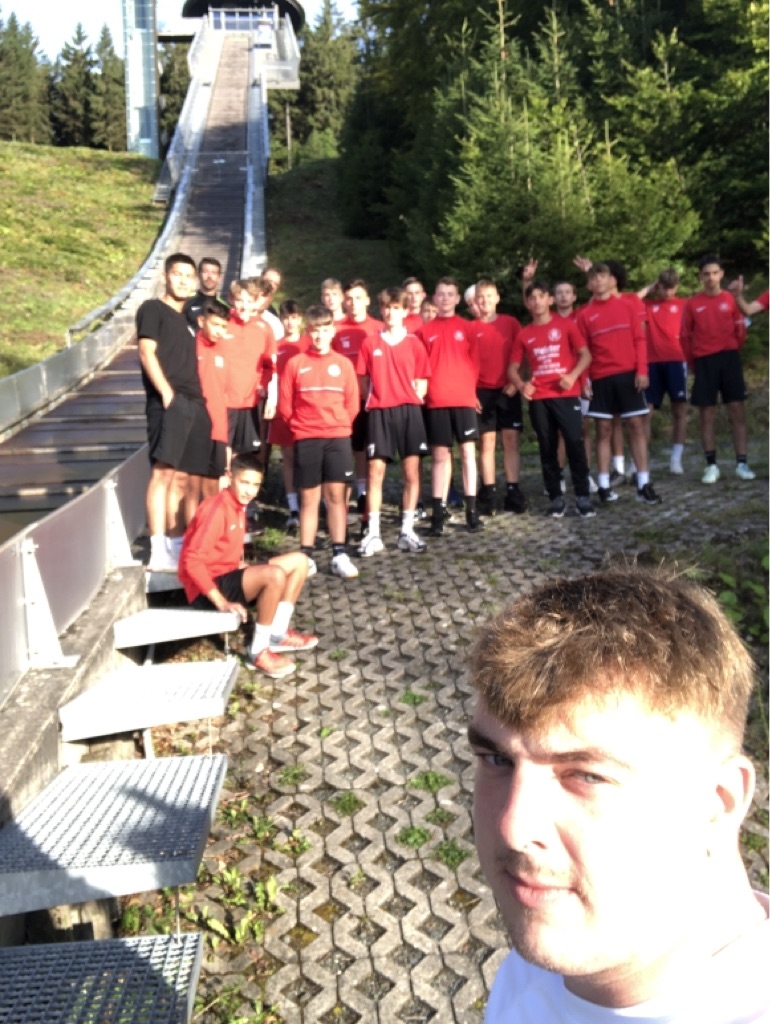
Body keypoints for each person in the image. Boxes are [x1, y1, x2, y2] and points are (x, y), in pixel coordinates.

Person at [468, 566, 768, 1023]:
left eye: (587, 776)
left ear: (719, 801)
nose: (513, 828)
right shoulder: (535, 970)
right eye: (497, 760)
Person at [178, 453, 317, 679]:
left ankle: (277, 634)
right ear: (229, 477)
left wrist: (240, 565)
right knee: (274, 575)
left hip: (227, 576)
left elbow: (222, 551)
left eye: (255, 485)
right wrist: (221, 602)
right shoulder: (216, 508)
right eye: (244, 483)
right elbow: (192, 560)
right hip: (206, 591)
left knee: (300, 561)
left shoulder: (238, 505)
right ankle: (258, 651)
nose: (249, 491)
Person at [137, 252, 214, 573]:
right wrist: (167, 394)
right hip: (169, 402)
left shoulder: (190, 322)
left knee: (184, 479)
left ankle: (176, 542)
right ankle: (158, 549)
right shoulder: (152, 309)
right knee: (163, 474)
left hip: (195, 403)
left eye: (188, 276)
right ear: (166, 276)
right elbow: (146, 351)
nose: (183, 281)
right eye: (177, 274)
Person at [278, 304, 361, 579]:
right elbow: (285, 405)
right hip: (307, 438)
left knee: (336, 497)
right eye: (314, 330)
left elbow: (352, 404)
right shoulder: (295, 364)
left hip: (337, 438)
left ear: (332, 331)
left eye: (325, 329)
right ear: (307, 331)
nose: (319, 335)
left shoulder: (343, 364)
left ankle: (339, 553)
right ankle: (307, 556)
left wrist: (337, 425)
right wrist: (302, 427)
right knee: (309, 498)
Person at [576, 263, 661, 506]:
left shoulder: (628, 305)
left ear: (611, 280)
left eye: (602, 276)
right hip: (600, 377)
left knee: (636, 426)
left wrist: (642, 370)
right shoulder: (584, 314)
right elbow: (582, 351)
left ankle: (643, 483)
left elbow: (640, 339)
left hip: (628, 375)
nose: (598, 281)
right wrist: (583, 380)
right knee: (603, 430)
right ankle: (603, 486)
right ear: (589, 284)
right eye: (594, 278)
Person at [356, 286, 431, 556]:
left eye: (396, 308)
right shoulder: (370, 343)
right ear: (381, 309)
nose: (390, 312)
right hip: (380, 412)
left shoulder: (414, 343)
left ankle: (407, 531)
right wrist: (379, 396)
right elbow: (363, 381)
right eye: (386, 307)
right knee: (375, 473)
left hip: (409, 412)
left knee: (411, 473)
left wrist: (411, 395)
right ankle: (373, 533)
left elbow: (423, 380)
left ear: (404, 311)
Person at [509, 281, 594, 518]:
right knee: (547, 447)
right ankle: (556, 497)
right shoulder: (524, 334)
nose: (537, 301)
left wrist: (573, 376)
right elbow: (512, 369)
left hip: (566, 395)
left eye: (541, 296)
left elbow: (585, 355)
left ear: (550, 299)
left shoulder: (566, 325)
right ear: (527, 303)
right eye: (532, 298)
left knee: (574, 443)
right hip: (540, 398)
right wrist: (521, 385)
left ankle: (583, 496)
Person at [417, 277, 484, 534]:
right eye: (441, 293)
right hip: (437, 400)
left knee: (468, 453)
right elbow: (421, 368)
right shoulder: (424, 332)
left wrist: (471, 391)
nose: (445, 298)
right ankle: (438, 513)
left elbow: (474, 363)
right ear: (434, 298)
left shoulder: (467, 328)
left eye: (450, 294)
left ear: (457, 299)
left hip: (463, 399)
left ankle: (472, 511)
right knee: (440, 457)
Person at [681, 255, 754, 485]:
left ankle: (742, 463)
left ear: (721, 274)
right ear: (700, 276)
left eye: (715, 273)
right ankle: (711, 465)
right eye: (706, 274)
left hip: (729, 358)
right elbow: (685, 337)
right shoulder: (693, 303)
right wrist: (693, 362)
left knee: (737, 411)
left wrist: (732, 350)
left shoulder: (730, 299)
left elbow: (741, 329)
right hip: (704, 361)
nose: (711, 277)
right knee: (707, 414)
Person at [469, 279, 527, 516]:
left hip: (508, 389)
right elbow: (464, 363)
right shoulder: (470, 328)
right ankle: (489, 492)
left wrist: (517, 380)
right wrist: (470, 392)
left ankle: (513, 490)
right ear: (475, 301)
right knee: (487, 443)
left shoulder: (510, 323)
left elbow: (523, 353)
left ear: (497, 298)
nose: (485, 301)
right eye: (481, 297)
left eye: (489, 296)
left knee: (511, 440)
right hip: (481, 391)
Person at [334, 279, 382, 516]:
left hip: (373, 399)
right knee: (346, 449)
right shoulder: (335, 328)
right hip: (343, 401)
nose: (354, 303)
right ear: (344, 301)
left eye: (358, 298)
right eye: (350, 298)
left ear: (367, 300)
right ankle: (338, 499)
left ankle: (365, 494)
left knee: (369, 449)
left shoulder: (378, 328)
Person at [637, 269, 688, 475]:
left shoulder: (684, 305)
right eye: (664, 288)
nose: (667, 292)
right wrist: (649, 288)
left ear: (677, 287)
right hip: (652, 363)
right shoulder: (649, 305)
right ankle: (641, 459)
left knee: (679, 409)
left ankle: (676, 458)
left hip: (676, 361)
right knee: (646, 412)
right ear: (658, 286)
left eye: (671, 288)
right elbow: (631, 301)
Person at [225, 278, 277, 466]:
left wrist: (264, 386)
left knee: (246, 455)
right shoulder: (222, 323)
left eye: (248, 301)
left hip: (250, 402)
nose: (243, 305)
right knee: (223, 452)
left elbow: (270, 365)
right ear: (232, 299)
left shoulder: (264, 329)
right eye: (240, 300)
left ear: (256, 302)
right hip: (224, 401)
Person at [268, 299, 309, 531]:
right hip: (284, 410)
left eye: (294, 318)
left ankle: (313, 503)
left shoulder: (308, 343)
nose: (290, 322)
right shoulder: (276, 346)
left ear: (300, 319)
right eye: (286, 318)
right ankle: (293, 507)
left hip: (307, 410)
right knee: (289, 458)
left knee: (309, 458)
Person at [184, 256, 223, 329]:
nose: (209, 276)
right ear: (198, 274)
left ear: (219, 278)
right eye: (205, 272)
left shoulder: (225, 307)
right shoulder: (186, 302)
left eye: (214, 272)